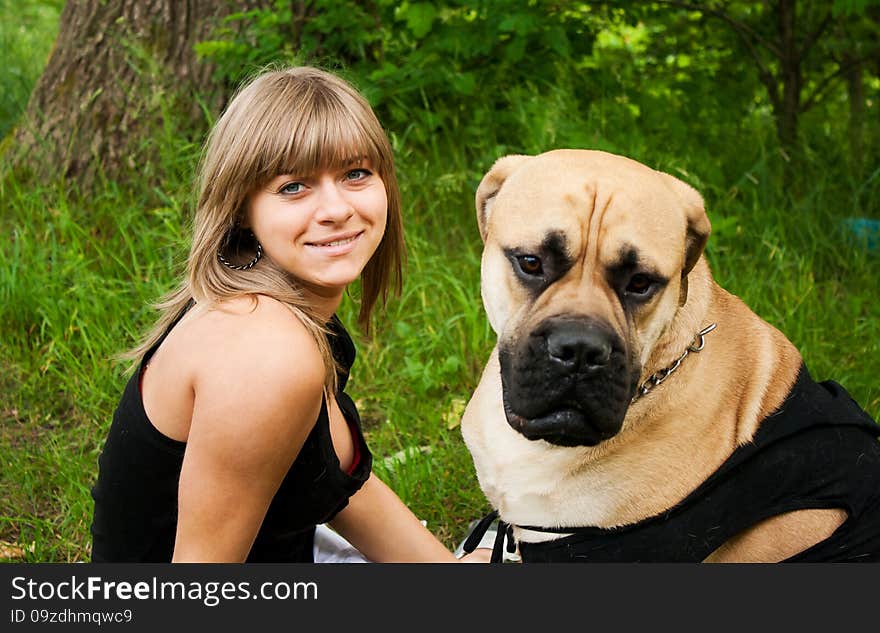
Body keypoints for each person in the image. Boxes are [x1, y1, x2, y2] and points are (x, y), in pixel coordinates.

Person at [89, 65, 486, 563]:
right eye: (294, 187)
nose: (336, 208)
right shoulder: (265, 353)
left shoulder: (287, 313)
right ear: (241, 209)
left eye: (356, 173)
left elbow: (341, 487)